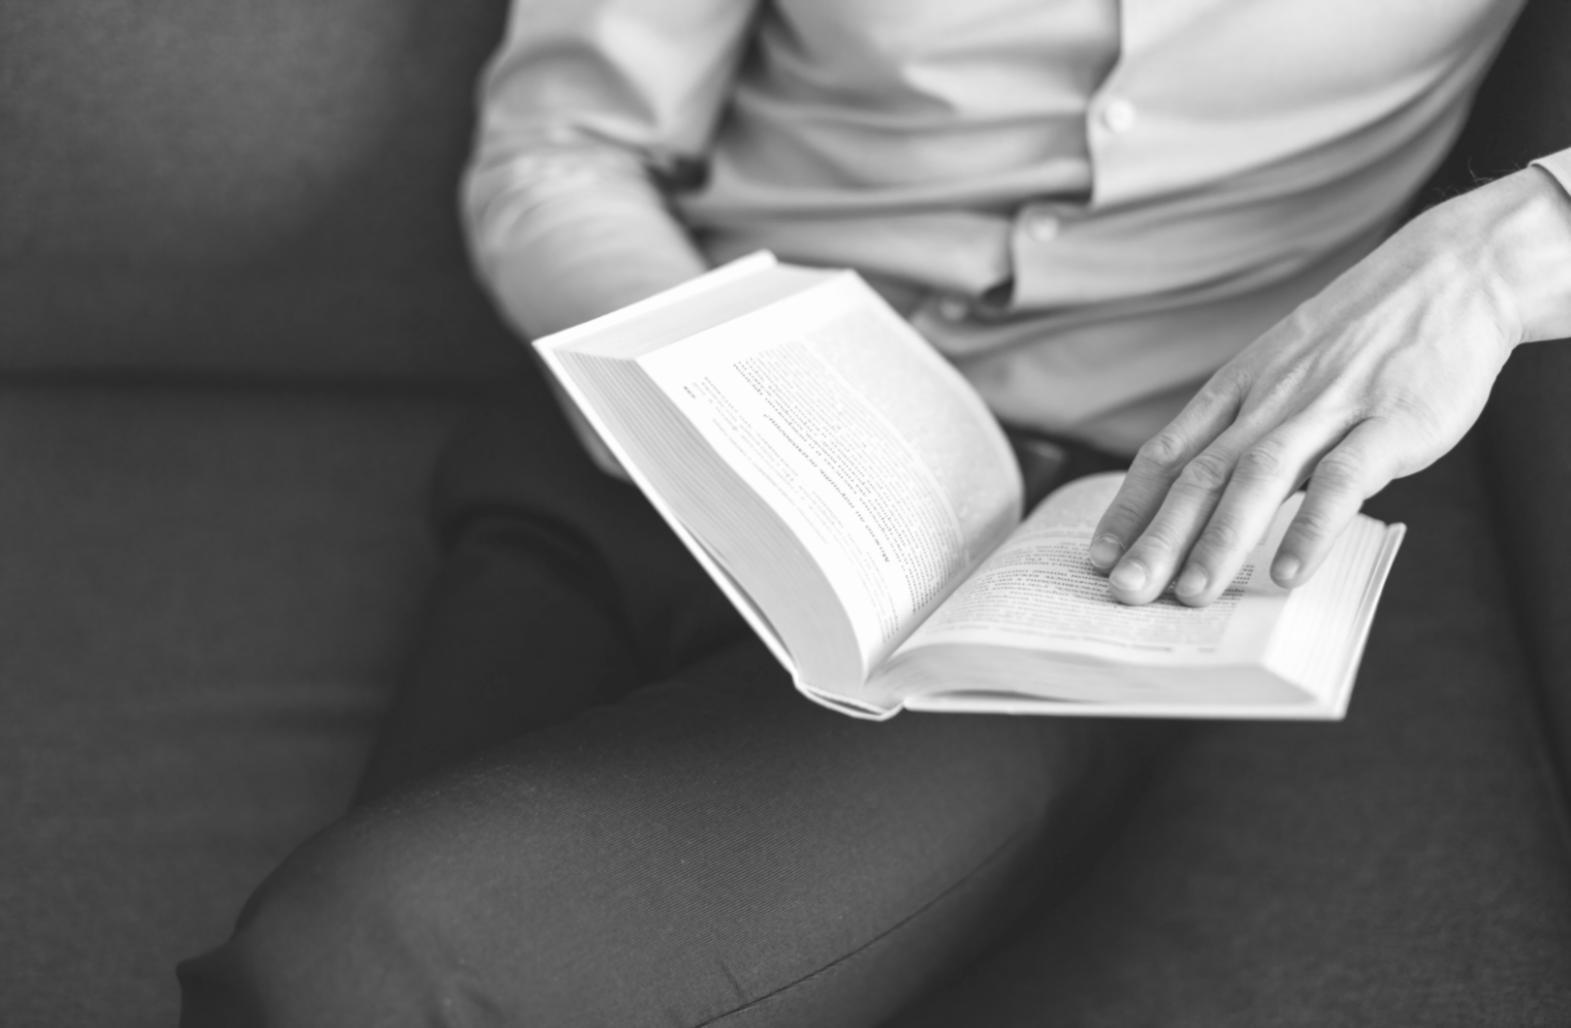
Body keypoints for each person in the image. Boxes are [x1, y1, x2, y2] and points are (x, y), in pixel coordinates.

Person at [177, 1, 1571, 1024]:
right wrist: (693, 389)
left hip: (1093, 544)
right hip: (662, 440)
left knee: (358, 955)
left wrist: (1507, 252)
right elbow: (562, 147)